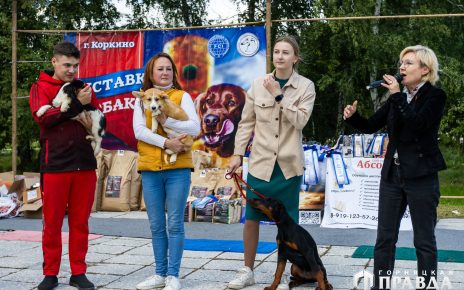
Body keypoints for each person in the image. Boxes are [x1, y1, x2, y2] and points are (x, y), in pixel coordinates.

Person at [343, 45, 446, 289]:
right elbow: (371, 125)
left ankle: (427, 286)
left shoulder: (435, 96)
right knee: (385, 238)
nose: (402, 67)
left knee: (424, 240)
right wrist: (353, 117)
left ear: (425, 69)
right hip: (392, 174)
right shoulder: (396, 98)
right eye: (401, 62)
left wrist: (398, 95)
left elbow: (418, 124)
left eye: (408, 63)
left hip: (421, 176)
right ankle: (381, 285)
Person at [227, 35, 316, 289]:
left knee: (290, 224)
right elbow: (246, 123)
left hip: (288, 167)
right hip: (261, 163)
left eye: (286, 52)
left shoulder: (306, 87)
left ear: (295, 58)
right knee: (252, 218)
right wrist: (236, 155)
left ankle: (294, 270)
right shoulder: (257, 84)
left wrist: (279, 95)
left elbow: (300, 121)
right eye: (276, 51)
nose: (279, 56)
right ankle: (247, 270)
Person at [29, 42, 98, 290]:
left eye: (75, 65)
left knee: (80, 223)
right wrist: (77, 105)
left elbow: (97, 120)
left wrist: (88, 117)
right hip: (55, 164)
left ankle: (78, 272)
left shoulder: (83, 88)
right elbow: (44, 119)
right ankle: (50, 274)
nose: (71, 70)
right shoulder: (40, 87)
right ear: (54, 62)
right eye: (67, 64)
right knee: (53, 223)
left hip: (84, 164)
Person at [133, 52, 200, 290]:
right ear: (151, 73)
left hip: (177, 169)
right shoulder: (142, 99)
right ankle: (159, 274)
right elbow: (139, 131)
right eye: (160, 69)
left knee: (174, 223)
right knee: (156, 225)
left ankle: (173, 275)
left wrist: (166, 122)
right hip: (150, 168)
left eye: (169, 69)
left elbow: (195, 127)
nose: (164, 73)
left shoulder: (182, 97)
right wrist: (165, 143)